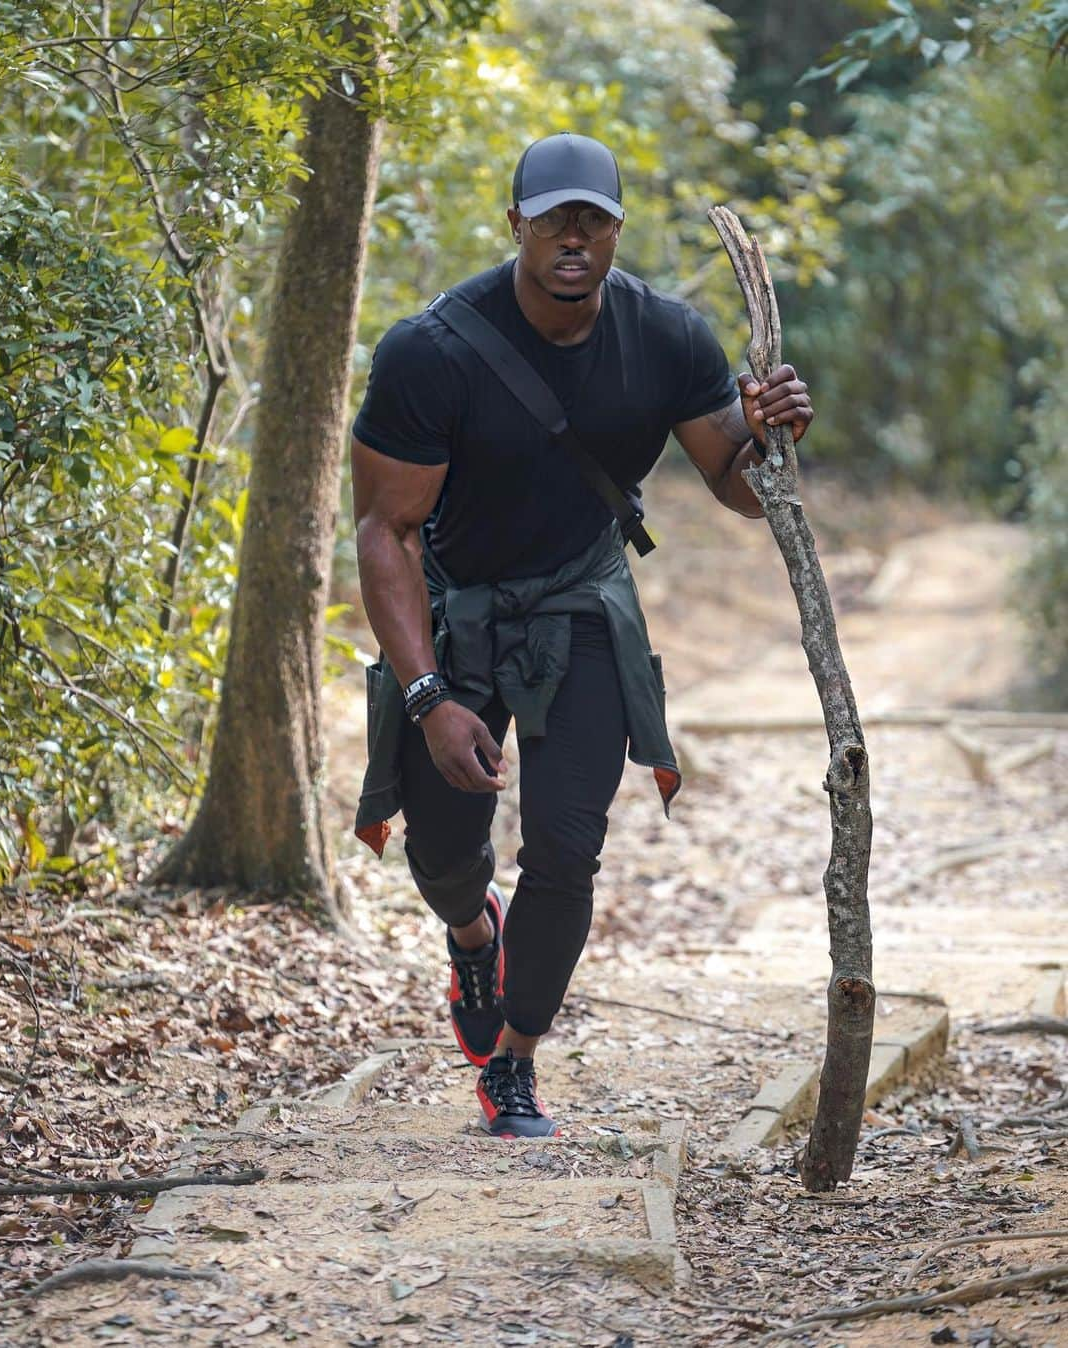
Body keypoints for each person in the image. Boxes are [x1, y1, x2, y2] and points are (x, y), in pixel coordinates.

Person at [350, 132, 813, 1139]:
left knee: (566, 844)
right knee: (440, 851)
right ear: (514, 223)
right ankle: (474, 937)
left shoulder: (667, 339)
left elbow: (736, 485)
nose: (573, 234)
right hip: (456, 609)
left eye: (592, 217)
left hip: (583, 605)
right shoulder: (428, 352)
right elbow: (384, 531)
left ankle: (514, 1060)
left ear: (614, 231)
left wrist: (770, 430)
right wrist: (428, 699)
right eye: (553, 215)